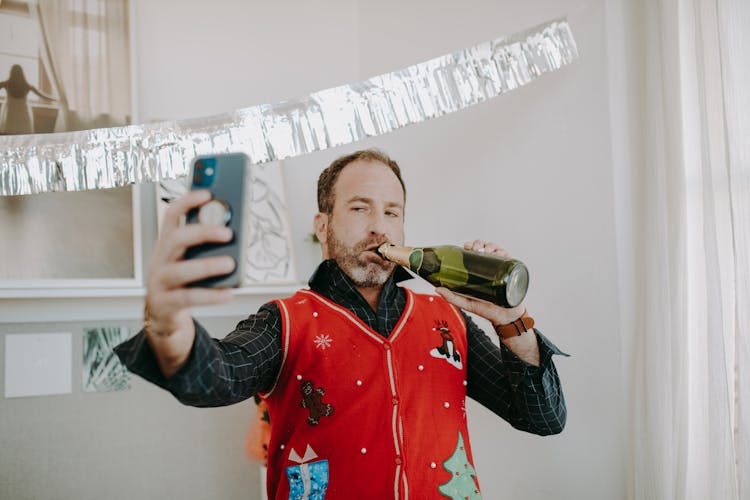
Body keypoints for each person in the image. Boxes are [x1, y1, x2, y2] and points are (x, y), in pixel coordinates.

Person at [116, 149, 567, 499]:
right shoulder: (285, 321)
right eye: (359, 209)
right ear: (323, 223)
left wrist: (510, 323)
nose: (379, 228)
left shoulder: (448, 317)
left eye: (392, 212)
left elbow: (543, 417)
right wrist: (167, 318)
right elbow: (213, 377)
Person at [0, 64, 56, 135]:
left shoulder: (6, 84)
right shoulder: (26, 85)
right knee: (22, 131)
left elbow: (42, 95)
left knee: (9, 130)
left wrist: (55, 99)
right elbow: (42, 95)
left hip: (10, 111)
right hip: (23, 111)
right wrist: (55, 99)